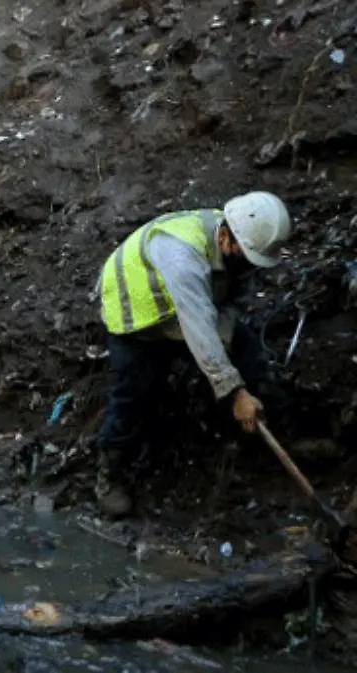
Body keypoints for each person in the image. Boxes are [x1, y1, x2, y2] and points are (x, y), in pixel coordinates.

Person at [94, 191, 293, 517]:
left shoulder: (238, 243)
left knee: (248, 352)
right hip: (137, 316)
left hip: (189, 305)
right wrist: (234, 390)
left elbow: (226, 306)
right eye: (246, 257)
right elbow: (198, 325)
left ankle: (280, 433)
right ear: (226, 236)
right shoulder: (182, 256)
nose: (249, 266)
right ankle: (109, 474)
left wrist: (230, 352)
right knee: (134, 391)